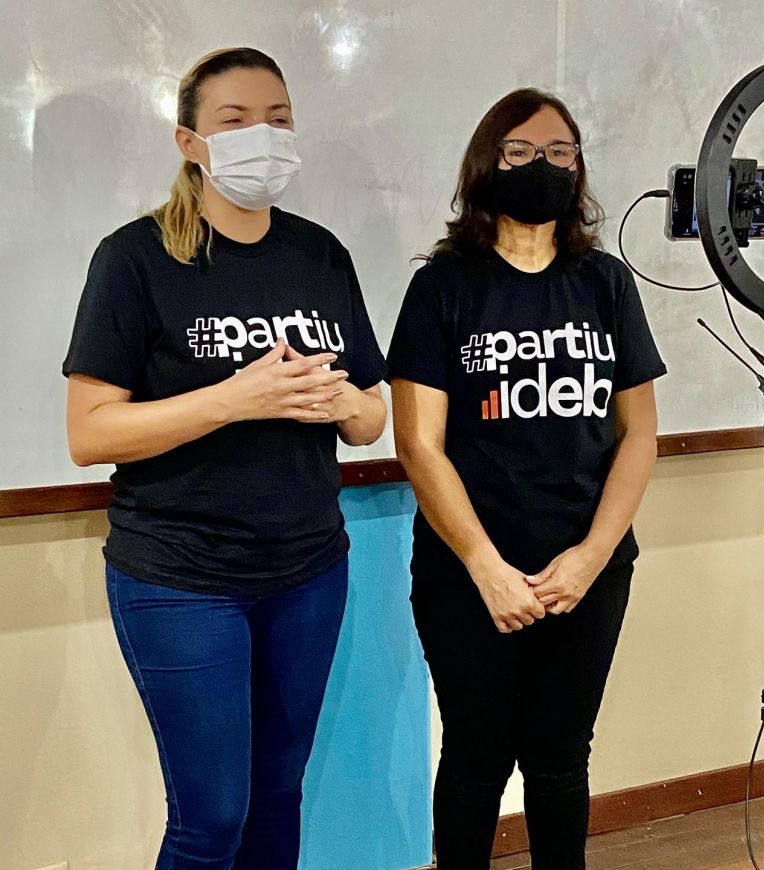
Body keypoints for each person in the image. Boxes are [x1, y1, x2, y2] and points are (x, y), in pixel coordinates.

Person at [62, 47, 387, 869]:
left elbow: (371, 417)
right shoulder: (135, 258)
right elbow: (90, 434)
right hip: (180, 578)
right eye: (235, 121)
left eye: (279, 119)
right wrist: (234, 399)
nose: (263, 137)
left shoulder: (320, 254)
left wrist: (344, 404)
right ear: (190, 142)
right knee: (211, 819)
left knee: (278, 796)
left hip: (308, 571)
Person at [388, 88, 667, 869]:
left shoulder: (606, 283)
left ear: (578, 169)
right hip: (468, 575)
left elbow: (639, 435)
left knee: (561, 758)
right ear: (487, 162)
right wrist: (486, 568)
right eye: (520, 151)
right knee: (476, 759)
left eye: (559, 152)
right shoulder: (443, 287)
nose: (542, 165)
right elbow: (418, 444)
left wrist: (591, 558)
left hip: (587, 573)